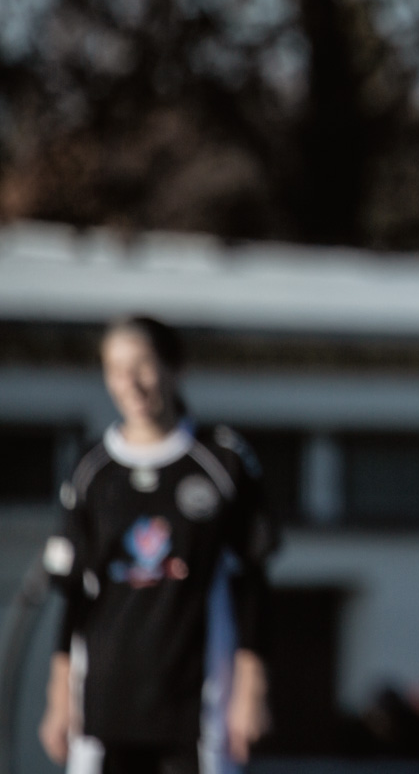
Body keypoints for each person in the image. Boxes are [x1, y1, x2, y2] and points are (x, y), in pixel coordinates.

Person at [39, 316, 276, 774]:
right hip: (106, 698)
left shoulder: (221, 460)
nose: (131, 383)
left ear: (174, 368)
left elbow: (252, 582)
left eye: (143, 366)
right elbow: (73, 595)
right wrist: (58, 696)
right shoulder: (92, 469)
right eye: (116, 369)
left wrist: (252, 688)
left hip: (194, 699)